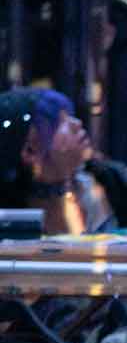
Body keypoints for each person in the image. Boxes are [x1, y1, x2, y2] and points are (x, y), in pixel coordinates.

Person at [0, 87, 96, 235]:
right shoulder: (10, 223)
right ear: (30, 151)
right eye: (59, 122)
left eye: (69, 116)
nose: (76, 123)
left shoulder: (112, 184)